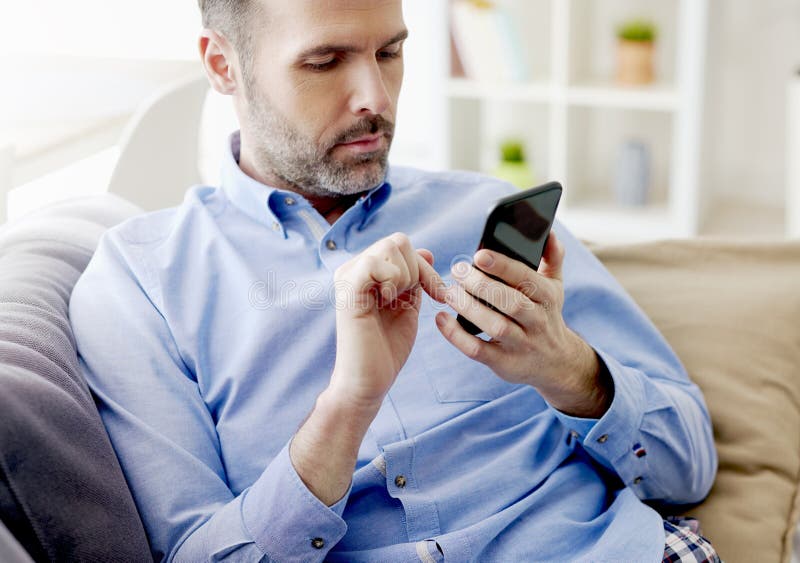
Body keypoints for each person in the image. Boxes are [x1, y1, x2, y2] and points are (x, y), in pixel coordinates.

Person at [69, 1, 719, 561]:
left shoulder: (488, 212)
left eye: (390, 52)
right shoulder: (141, 283)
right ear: (222, 65)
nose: (376, 99)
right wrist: (347, 406)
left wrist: (570, 369)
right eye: (325, 62)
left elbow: (688, 465)